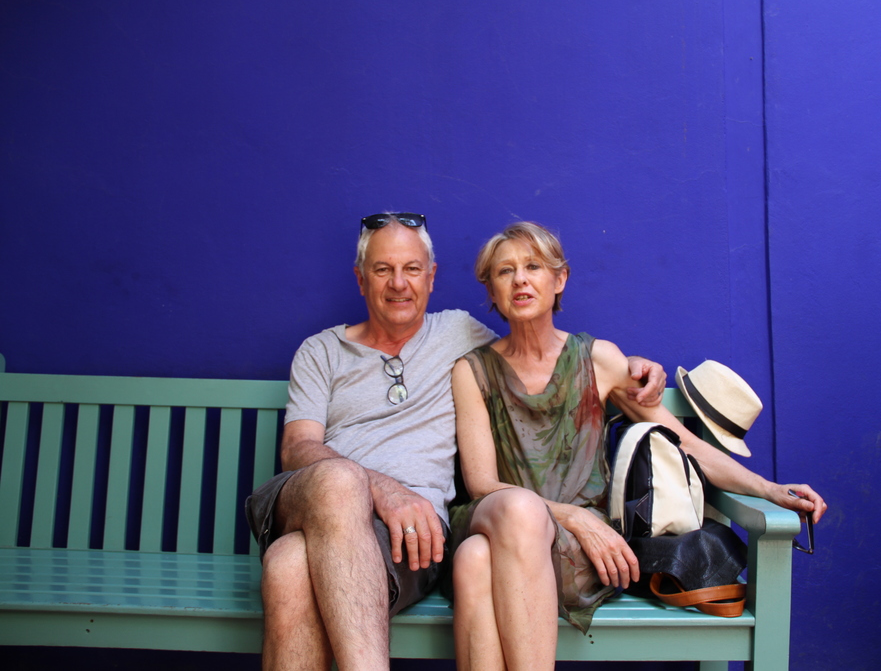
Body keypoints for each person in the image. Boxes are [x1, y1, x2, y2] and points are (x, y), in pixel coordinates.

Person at [245, 213, 667, 671]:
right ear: (361, 279)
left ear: (431, 277)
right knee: (339, 481)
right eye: (383, 269)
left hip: (408, 539)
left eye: (411, 269)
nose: (398, 283)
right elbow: (297, 450)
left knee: (288, 564)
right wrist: (382, 489)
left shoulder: (460, 336)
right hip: (315, 499)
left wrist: (631, 369)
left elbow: (534, 352)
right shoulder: (320, 351)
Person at [447, 221, 828, 670]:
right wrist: (579, 519)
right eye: (504, 271)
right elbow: (482, 485)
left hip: (569, 549)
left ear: (559, 279)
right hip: (507, 519)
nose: (521, 280)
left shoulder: (597, 360)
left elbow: (683, 441)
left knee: (474, 558)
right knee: (504, 522)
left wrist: (767, 489)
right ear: (491, 290)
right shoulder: (472, 371)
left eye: (533, 266)